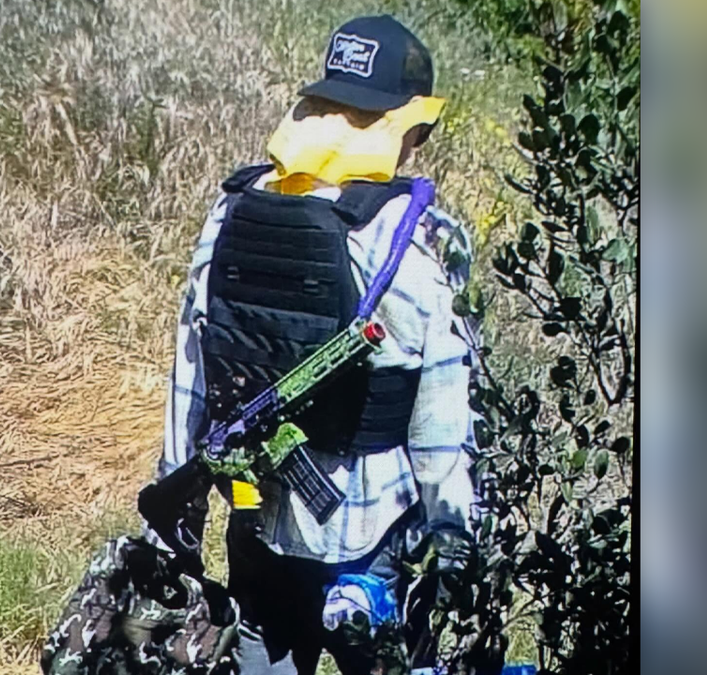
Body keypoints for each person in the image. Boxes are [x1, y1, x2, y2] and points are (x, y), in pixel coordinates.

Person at [146, 15, 480, 675]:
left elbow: (192, 369)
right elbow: (444, 420)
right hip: (373, 538)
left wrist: (175, 514)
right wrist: (458, 549)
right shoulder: (421, 238)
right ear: (407, 128)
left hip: (255, 517)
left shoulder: (232, 211)